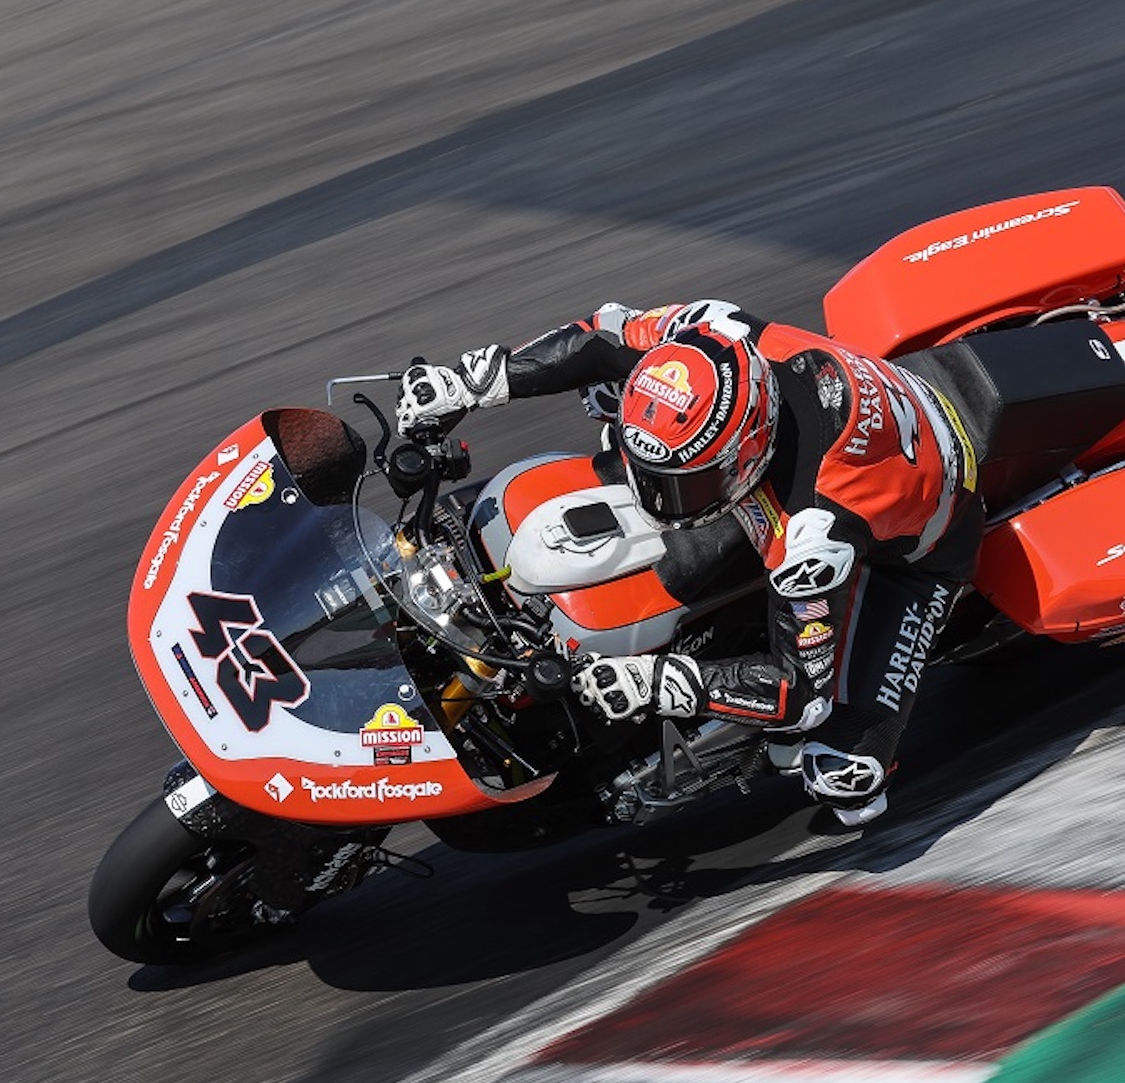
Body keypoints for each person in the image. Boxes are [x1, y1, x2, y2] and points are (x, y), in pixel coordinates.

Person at [395, 300, 982, 826]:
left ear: (745, 452)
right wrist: (467, 382)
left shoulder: (812, 534)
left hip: (924, 541)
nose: (653, 500)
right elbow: (600, 336)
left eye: (679, 485)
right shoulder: (708, 334)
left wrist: (658, 683)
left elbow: (800, 691)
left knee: (843, 775)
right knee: (604, 389)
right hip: (837, 426)